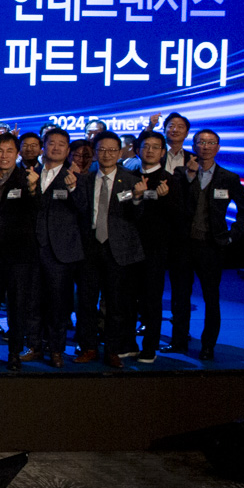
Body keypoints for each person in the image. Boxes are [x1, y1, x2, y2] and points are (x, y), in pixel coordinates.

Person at [175, 129, 244, 360]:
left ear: (218, 147)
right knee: (180, 295)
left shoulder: (228, 177)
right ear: (193, 146)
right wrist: (189, 176)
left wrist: (232, 235)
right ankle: (179, 341)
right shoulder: (181, 173)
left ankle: (208, 345)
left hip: (212, 245)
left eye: (210, 143)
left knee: (211, 297)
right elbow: (175, 202)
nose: (205, 147)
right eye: (201, 142)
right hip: (183, 244)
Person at [74, 132, 145, 368]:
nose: (107, 154)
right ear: (95, 152)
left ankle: (113, 350)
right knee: (86, 301)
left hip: (118, 249)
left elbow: (137, 218)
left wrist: (137, 199)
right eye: (102, 150)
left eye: (112, 150)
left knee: (116, 303)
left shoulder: (131, 180)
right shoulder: (84, 179)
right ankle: (88, 347)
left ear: (120, 152)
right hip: (89, 247)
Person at [0, 133, 38, 369]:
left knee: (17, 304)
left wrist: (33, 190)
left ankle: (14, 352)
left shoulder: (28, 179)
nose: (4, 156)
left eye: (9, 151)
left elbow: (37, 211)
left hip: (19, 253)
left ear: (17, 154)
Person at [29, 128, 87, 369]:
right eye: (51, 143)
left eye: (61, 144)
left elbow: (84, 209)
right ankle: (33, 346)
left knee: (58, 304)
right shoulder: (31, 173)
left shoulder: (75, 177)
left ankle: (56, 350)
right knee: (32, 302)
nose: (56, 147)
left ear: (68, 149)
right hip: (32, 249)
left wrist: (73, 189)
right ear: (43, 147)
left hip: (60, 252)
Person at [131, 131, 182, 362]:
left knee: (152, 299)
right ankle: (128, 343)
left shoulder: (170, 180)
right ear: (137, 150)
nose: (150, 151)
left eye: (155, 147)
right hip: (127, 247)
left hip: (155, 250)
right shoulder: (128, 177)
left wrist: (166, 198)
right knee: (127, 298)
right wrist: (136, 197)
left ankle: (149, 348)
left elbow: (179, 218)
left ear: (163, 152)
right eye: (146, 146)